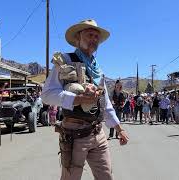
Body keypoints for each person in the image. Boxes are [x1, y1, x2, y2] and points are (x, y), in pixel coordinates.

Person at [41, 19, 129, 180]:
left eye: (96, 36)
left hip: (98, 132)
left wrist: (119, 128)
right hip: (74, 134)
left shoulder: (97, 69)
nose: (93, 39)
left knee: (106, 177)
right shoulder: (65, 60)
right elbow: (47, 95)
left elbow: (105, 103)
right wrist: (78, 99)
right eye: (89, 35)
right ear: (77, 37)